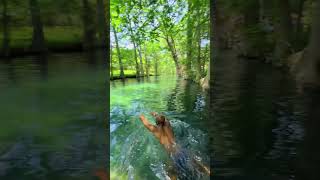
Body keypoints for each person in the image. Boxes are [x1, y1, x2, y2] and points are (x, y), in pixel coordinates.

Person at [139, 112, 210, 179]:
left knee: (171, 172)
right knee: (196, 163)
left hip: (172, 155)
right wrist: (155, 114)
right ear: (164, 121)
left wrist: (141, 116)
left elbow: (145, 123)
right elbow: (161, 117)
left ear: (156, 122)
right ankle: (208, 171)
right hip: (180, 149)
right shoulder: (167, 124)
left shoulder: (155, 130)